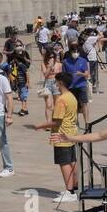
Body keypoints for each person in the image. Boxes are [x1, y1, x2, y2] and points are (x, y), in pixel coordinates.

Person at [30, 71, 80, 202]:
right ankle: (74, 187)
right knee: (72, 161)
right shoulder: (71, 96)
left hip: (61, 135)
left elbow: (56, 121)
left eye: (56, 82)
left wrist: (39, 126)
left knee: (64, 163)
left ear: (61, 82)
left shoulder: (62, 99)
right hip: (71, 133)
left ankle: (69, 192)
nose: (55, 84)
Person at [61, 42, 91, 128]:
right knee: (73, 105)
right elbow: (63, 75)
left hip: (81, 85)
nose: (76, 53)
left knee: (84, 103)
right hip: (70, 87)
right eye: (74, 51)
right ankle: (75, 122)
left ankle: (87, 122)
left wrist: (80, 74)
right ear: (70, 52)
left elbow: (87, 74)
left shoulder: (83, 61)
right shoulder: (65, 62)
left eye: (77, 51)